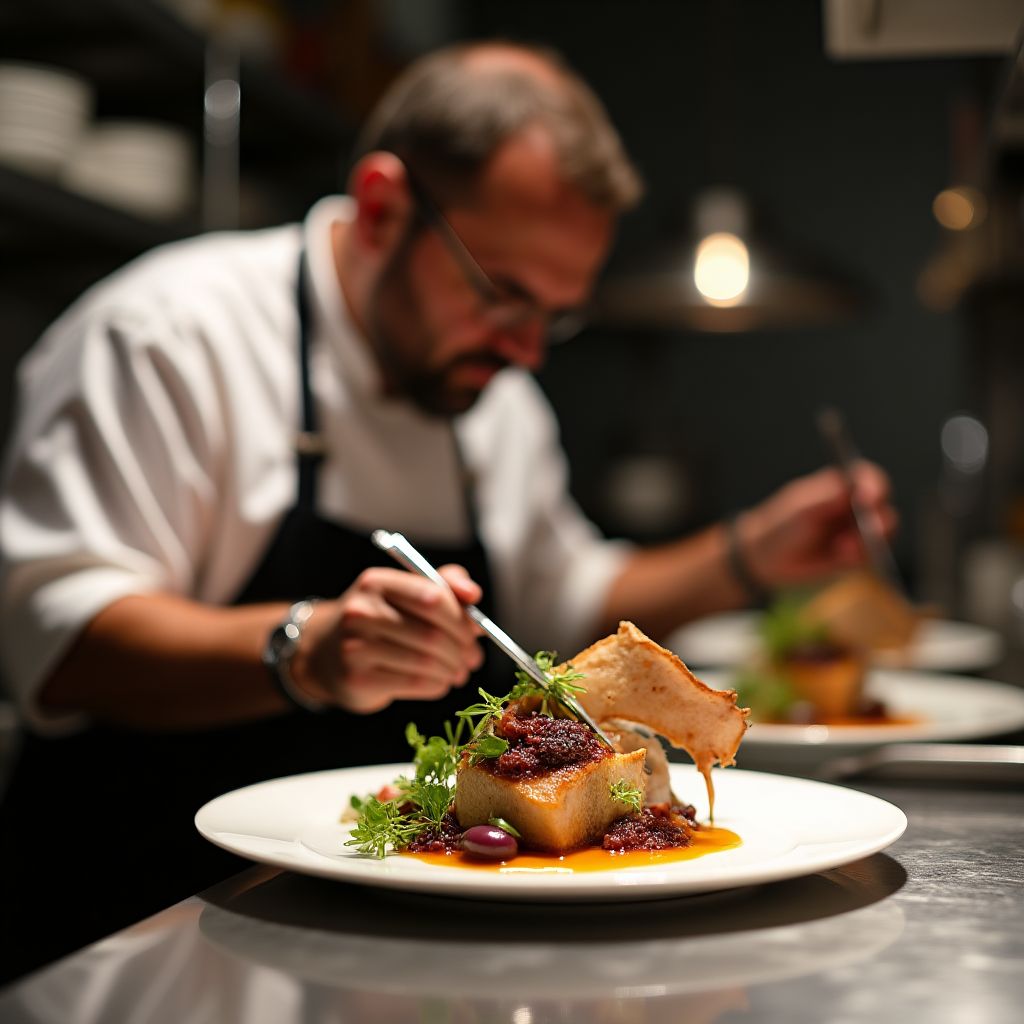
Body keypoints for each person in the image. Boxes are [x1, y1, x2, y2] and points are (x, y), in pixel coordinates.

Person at [0, 41, 894, 979]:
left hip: (391, 948)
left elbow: (561, 604)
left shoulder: (489, 394)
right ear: (384, 206)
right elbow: (53, 641)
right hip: (132, 935)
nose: (528, 350)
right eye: (503, 293)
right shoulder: (170, 337)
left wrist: (751, 551)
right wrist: (305, 647)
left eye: (556, 315)